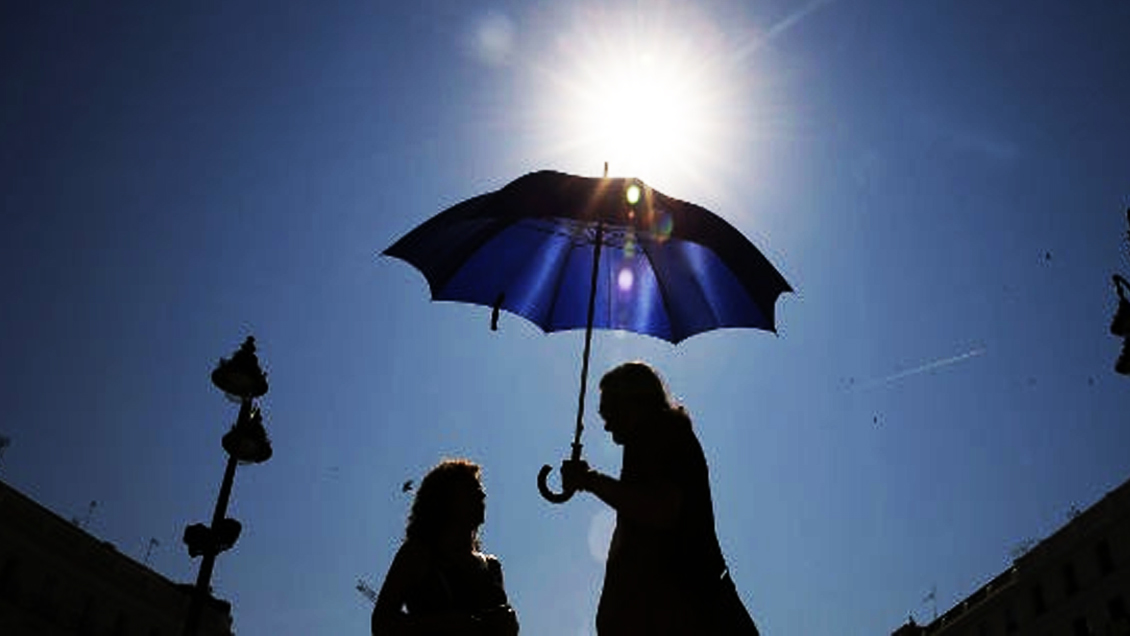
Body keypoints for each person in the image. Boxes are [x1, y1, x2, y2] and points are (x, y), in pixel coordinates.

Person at [561, 361, 760, 635]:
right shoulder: (649, 441)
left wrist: (590, 481)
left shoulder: (663, 434)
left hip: (694, 612)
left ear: (632, 403)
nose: (606, 425)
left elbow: (660, 509)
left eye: (609, 410)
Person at [372, 458, 519, 636]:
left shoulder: (492, 567)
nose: (482, 495)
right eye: (471, 489)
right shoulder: (417, 555)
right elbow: (381, 623)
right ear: (445, 501)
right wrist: (447, 625)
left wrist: (508, 626)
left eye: (480, 489)